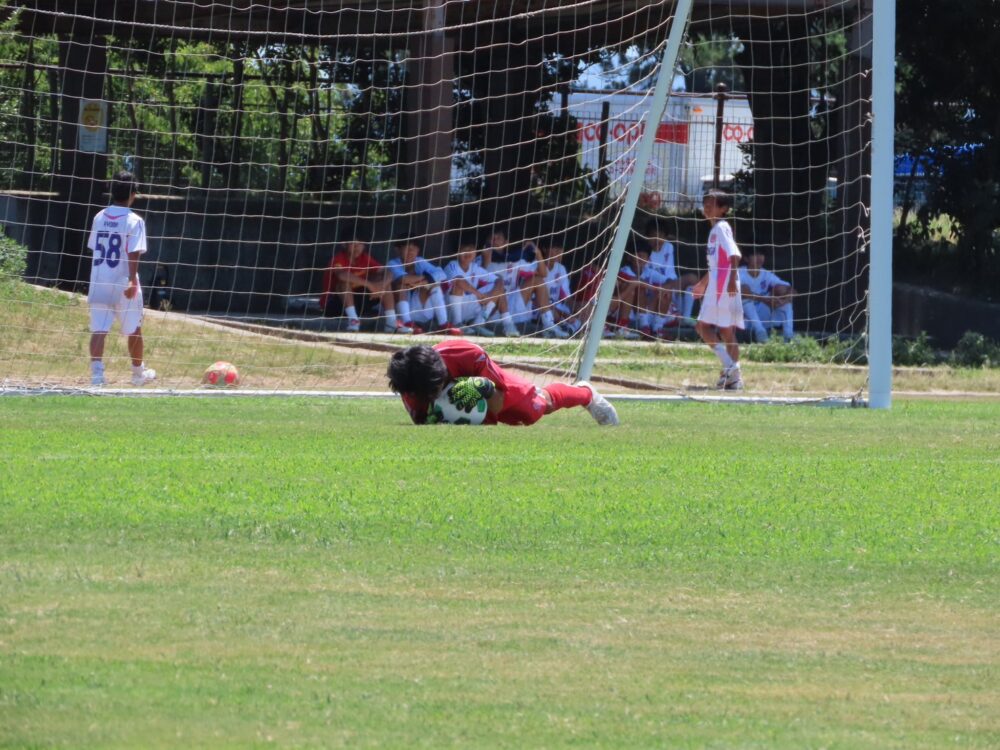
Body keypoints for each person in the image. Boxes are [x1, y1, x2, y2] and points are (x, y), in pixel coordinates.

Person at [387, 339, 619, 426]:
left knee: (540, 407)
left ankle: (586, 393)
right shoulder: (409, 382)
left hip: (499, 390)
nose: (432, 397)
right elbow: (422, 423)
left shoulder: (468, 354)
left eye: (435, 391)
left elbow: (497, 401)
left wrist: (484, 389)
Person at [86, 170, 157, 387]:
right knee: (134, 328)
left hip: (99, 278)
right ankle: (138, 374)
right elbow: (133, 252)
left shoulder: (99, 216)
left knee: (99, 329)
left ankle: (97, 375)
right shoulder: (135, 221)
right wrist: (132, 279)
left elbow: (94, 247)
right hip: (123, 280)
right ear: (133, 194)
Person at [692, 189, 745, 390]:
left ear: (723, 209)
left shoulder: (721, 227)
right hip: (718, 284)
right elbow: (716, 265)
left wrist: (731, 280)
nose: (706, 207)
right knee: (725, 330)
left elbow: (735, 255)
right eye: (705, 203)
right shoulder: (715, 230)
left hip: (723, 286)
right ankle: (734, 377)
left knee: (702, 327)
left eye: (711, 204)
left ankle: (731, 367)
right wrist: (702, 283)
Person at [320, 235, 413, 334]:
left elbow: (388, 272)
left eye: (360, 244)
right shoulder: (338, 258)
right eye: (353, 243)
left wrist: (382, 285)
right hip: (334, 305)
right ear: (344, 244)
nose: (357, 247)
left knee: (383, 279)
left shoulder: (365, 258)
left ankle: (391, 322)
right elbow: (341, 275)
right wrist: (370, 285)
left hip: (358, 302)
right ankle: (353, 321)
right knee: (343, 283)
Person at [385, 238, 457, 334]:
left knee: (434, 285)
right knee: (400, 285)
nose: (411, 252)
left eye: (414, 248)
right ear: (398, 250)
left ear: (418, 250)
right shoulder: (392, 263)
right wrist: (424, 277)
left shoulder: (420, 261)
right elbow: (403, 279)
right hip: (401, 313)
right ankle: (407, 323)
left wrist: (423, 282)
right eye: (407, 248)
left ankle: (443, 324)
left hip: (422, 309)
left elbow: (441, 274)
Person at [443, 240, 511, 336]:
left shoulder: (474, 267)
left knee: (499, 287)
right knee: (458, 285)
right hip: (451, 311)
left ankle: (480, 323)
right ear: (458, 252)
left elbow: (498, 280)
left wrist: (490, 296)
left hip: (469, 307)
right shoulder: (452, 265)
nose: (468, 253)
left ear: (475, 253)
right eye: (464, 250)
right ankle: (457, 324)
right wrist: (479, 294)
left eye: (471, 250)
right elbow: (459, 281)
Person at [738, 248, 796, 342]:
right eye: (755, 255)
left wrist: (783, 301)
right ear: (746, 258)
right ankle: (760, 332)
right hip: (745, 320)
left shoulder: (766, 274)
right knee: (744, 297)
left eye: (761, 254)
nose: (759, 258)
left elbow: (791, 290)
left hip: (763, 317)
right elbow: (743, 291)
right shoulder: (739, 272)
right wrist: (766, 300)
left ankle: (789, 336)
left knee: (783, 294)